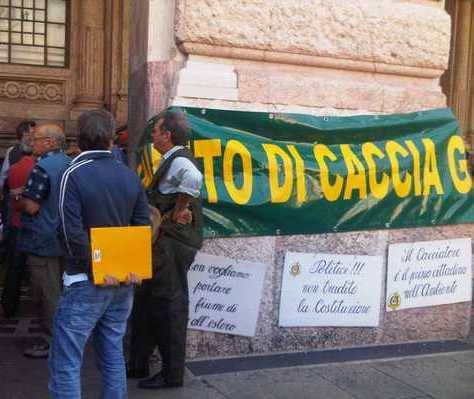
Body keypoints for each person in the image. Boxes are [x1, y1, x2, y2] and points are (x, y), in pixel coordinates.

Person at [48, 110, 150, 399]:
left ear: (77, 139)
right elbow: (143, 227)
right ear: (111, 139)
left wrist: (98, 266)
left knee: (66, 362)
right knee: (112, 354)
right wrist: (125, 266)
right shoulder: (129, 176)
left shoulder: (73, 173)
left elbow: (70, 233)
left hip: (86, 279)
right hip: (122, 280)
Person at [130, 110, 203, 390]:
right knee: (147, 301)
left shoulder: (180, 160)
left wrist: (181, 209)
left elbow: (193, 180)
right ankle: (139, 362)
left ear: (167, 135)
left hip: (173, 244)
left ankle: (172, 374)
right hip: (164, 244)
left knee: (169, 307)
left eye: (157, 131)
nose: (153, 135)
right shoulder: (172, 158)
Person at [17, 123, 70, 359]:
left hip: (43, 238)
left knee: (48, 294)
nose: (32, 141)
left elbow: (31, 206)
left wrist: (19, 198)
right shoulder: (69, 164)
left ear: (50, 142)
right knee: (61, 292)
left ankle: (52, 342)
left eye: (36, 138)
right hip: (64, 238)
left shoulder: (43, 167)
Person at [0, 131, 35, 318]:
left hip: (15, 221)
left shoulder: (14, 168)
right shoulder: (38, 168)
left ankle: (9, 305)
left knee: (15, 266)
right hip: (33, 222)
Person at [0, 120, 36, 192]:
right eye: (33, 132)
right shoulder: (11, 151)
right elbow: (3, 175)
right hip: (14, 193)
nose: (35, 135)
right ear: (24, 134)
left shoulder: (39, 150)